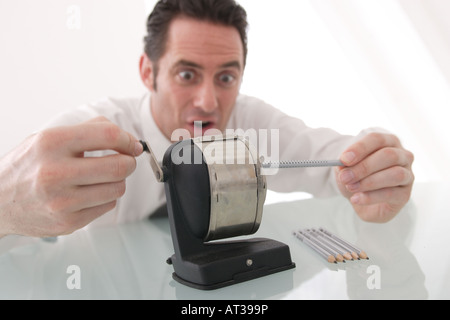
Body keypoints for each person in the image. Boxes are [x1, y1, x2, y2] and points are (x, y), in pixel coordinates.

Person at [0, 0, 414, 240]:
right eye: (187, 74)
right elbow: (26, 218)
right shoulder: (92, 133)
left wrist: (380, 162)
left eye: (226, 77)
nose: (208, 101)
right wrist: (7, 207)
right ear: (148, 72)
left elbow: (339, 162)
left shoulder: (251, 123)